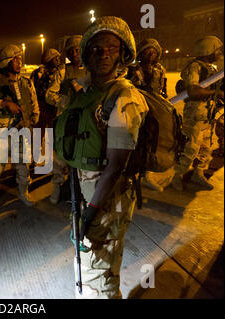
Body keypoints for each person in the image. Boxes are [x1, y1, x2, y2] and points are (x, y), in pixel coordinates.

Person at [65, 17, 149, 298]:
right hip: (87, 193)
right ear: (86, 54)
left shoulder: (124, 97)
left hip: (106, 200)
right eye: (95, 48)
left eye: (111, 47)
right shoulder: (91, 93)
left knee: (99, 278)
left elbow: (115, 165)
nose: (102, 54)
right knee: (88, 265)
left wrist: (90, 212)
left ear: (124, 54)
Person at [0, 44, 39, 210]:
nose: (19, 62)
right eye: (15, 60)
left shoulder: (26, 82)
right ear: (6, 63)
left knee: (23, 164)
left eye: (20, 59)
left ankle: (23, 191)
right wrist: (5, 103)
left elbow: (34, 103)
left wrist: (34, 118)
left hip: (21, 130)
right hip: (0, 131)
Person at [170, 36, 224, 191]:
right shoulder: (194, 67)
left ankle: (197, 173)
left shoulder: (211, 68)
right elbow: (192, 91)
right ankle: (177, 176)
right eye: (217, 49)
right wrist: (217, 93)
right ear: (208, 50)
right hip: (195, 114)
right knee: (190, 147)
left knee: (205, 148)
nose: (219, 52)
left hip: (208, 114)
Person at [45, 36, 87, 204]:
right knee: (61, 159)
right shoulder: (63, 71)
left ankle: (81, 192)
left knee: (84, 159)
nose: (74, 53)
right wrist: (66, 102)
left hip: (86, 122)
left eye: (77, 49)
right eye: (71, 51)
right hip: (65, 121)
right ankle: (57, 188)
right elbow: (49, 95)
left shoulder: (93, 70)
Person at [126, 39, 172, 192]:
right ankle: (130, 174)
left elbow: (163, 89)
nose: (151, 54)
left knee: (152, 142)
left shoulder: (160, 69)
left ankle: (147, 175)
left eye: (154, 51)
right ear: (140, 52)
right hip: (137, 111)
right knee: (133, 142)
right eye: (147, 50)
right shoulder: (132, 70)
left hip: (155, 111)